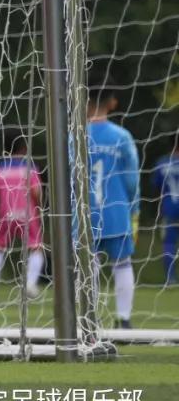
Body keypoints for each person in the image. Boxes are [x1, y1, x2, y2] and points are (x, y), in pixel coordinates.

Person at [82, 72, 140, 328]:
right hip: (116, 210)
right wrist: (134, 208)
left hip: (85, 212)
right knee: (123, 264)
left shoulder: (75, 135)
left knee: (87, 265)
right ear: (113, 102)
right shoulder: (121, 136)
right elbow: (132, 179)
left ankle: (89, 318)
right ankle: (124, 320)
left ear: (84, 100)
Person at [0, 130, 45, 298]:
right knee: (36, 248)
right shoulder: (29, 167)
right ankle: (30, 285)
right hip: (28, 214)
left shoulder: (0, 168)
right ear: (25, 148)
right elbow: (36, 191)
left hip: (6, 214)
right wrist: (41, 206)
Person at [152, 131, 179, 285]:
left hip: (169, 207)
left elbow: (156, 188)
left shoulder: (162, 163)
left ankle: (170, 278)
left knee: (169, 243)